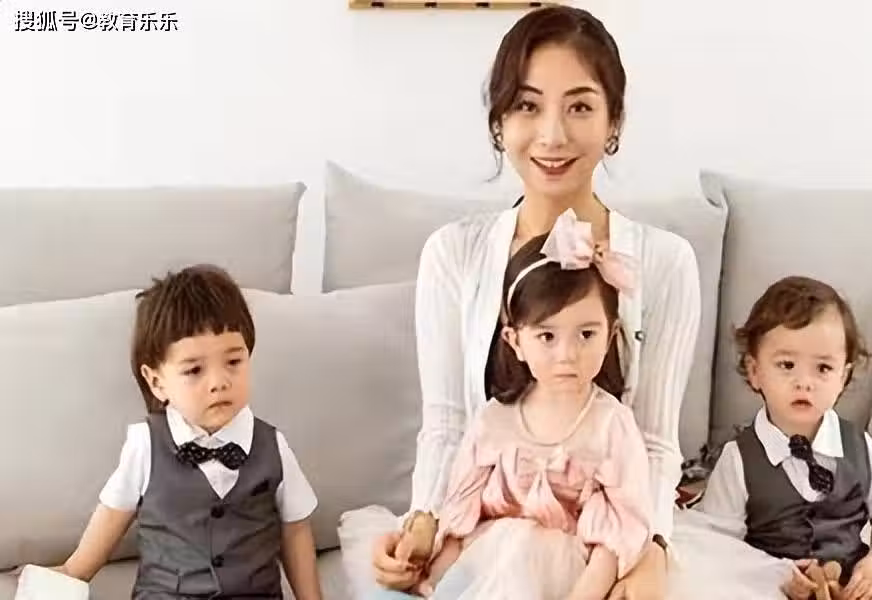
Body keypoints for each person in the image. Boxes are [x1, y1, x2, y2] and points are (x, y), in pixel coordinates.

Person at [339, 5, 701, 600]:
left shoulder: (663, 263)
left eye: (579, 107)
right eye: (528, 106)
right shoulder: (452, 254)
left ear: (614, 122)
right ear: (499, 122)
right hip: (487, 540)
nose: (552, 135)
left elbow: (656, 441)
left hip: (603, 543)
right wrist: (424, 521)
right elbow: (448, 425)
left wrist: (651, 550)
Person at [409, 210, 653, 599]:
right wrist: (433, 585)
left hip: (568, 576)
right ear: (515, 341)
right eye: (546, 336)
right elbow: (460, 518)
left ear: (611, 336)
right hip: (487, 564)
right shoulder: (495, 420)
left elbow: (618, 532)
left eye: (586, 334)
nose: (567, 354)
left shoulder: (611, 425)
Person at [56, 264, 323, 599]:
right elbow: (112, 515)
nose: (219, 382)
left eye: (234, 362)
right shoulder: (145, 445)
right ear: (157, 382)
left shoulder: (273, 446)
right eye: (195, 370)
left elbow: (295, 529)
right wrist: (73, 572)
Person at [698, 276, 872, 600]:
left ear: (843, 376)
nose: (804, 382)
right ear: (755, 371)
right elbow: (718, 544)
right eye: (787, 365)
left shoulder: (858, 447)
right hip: (769, 590)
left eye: (823, 368)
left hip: (849, 590)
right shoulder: (738, 459)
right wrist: (774, 574)